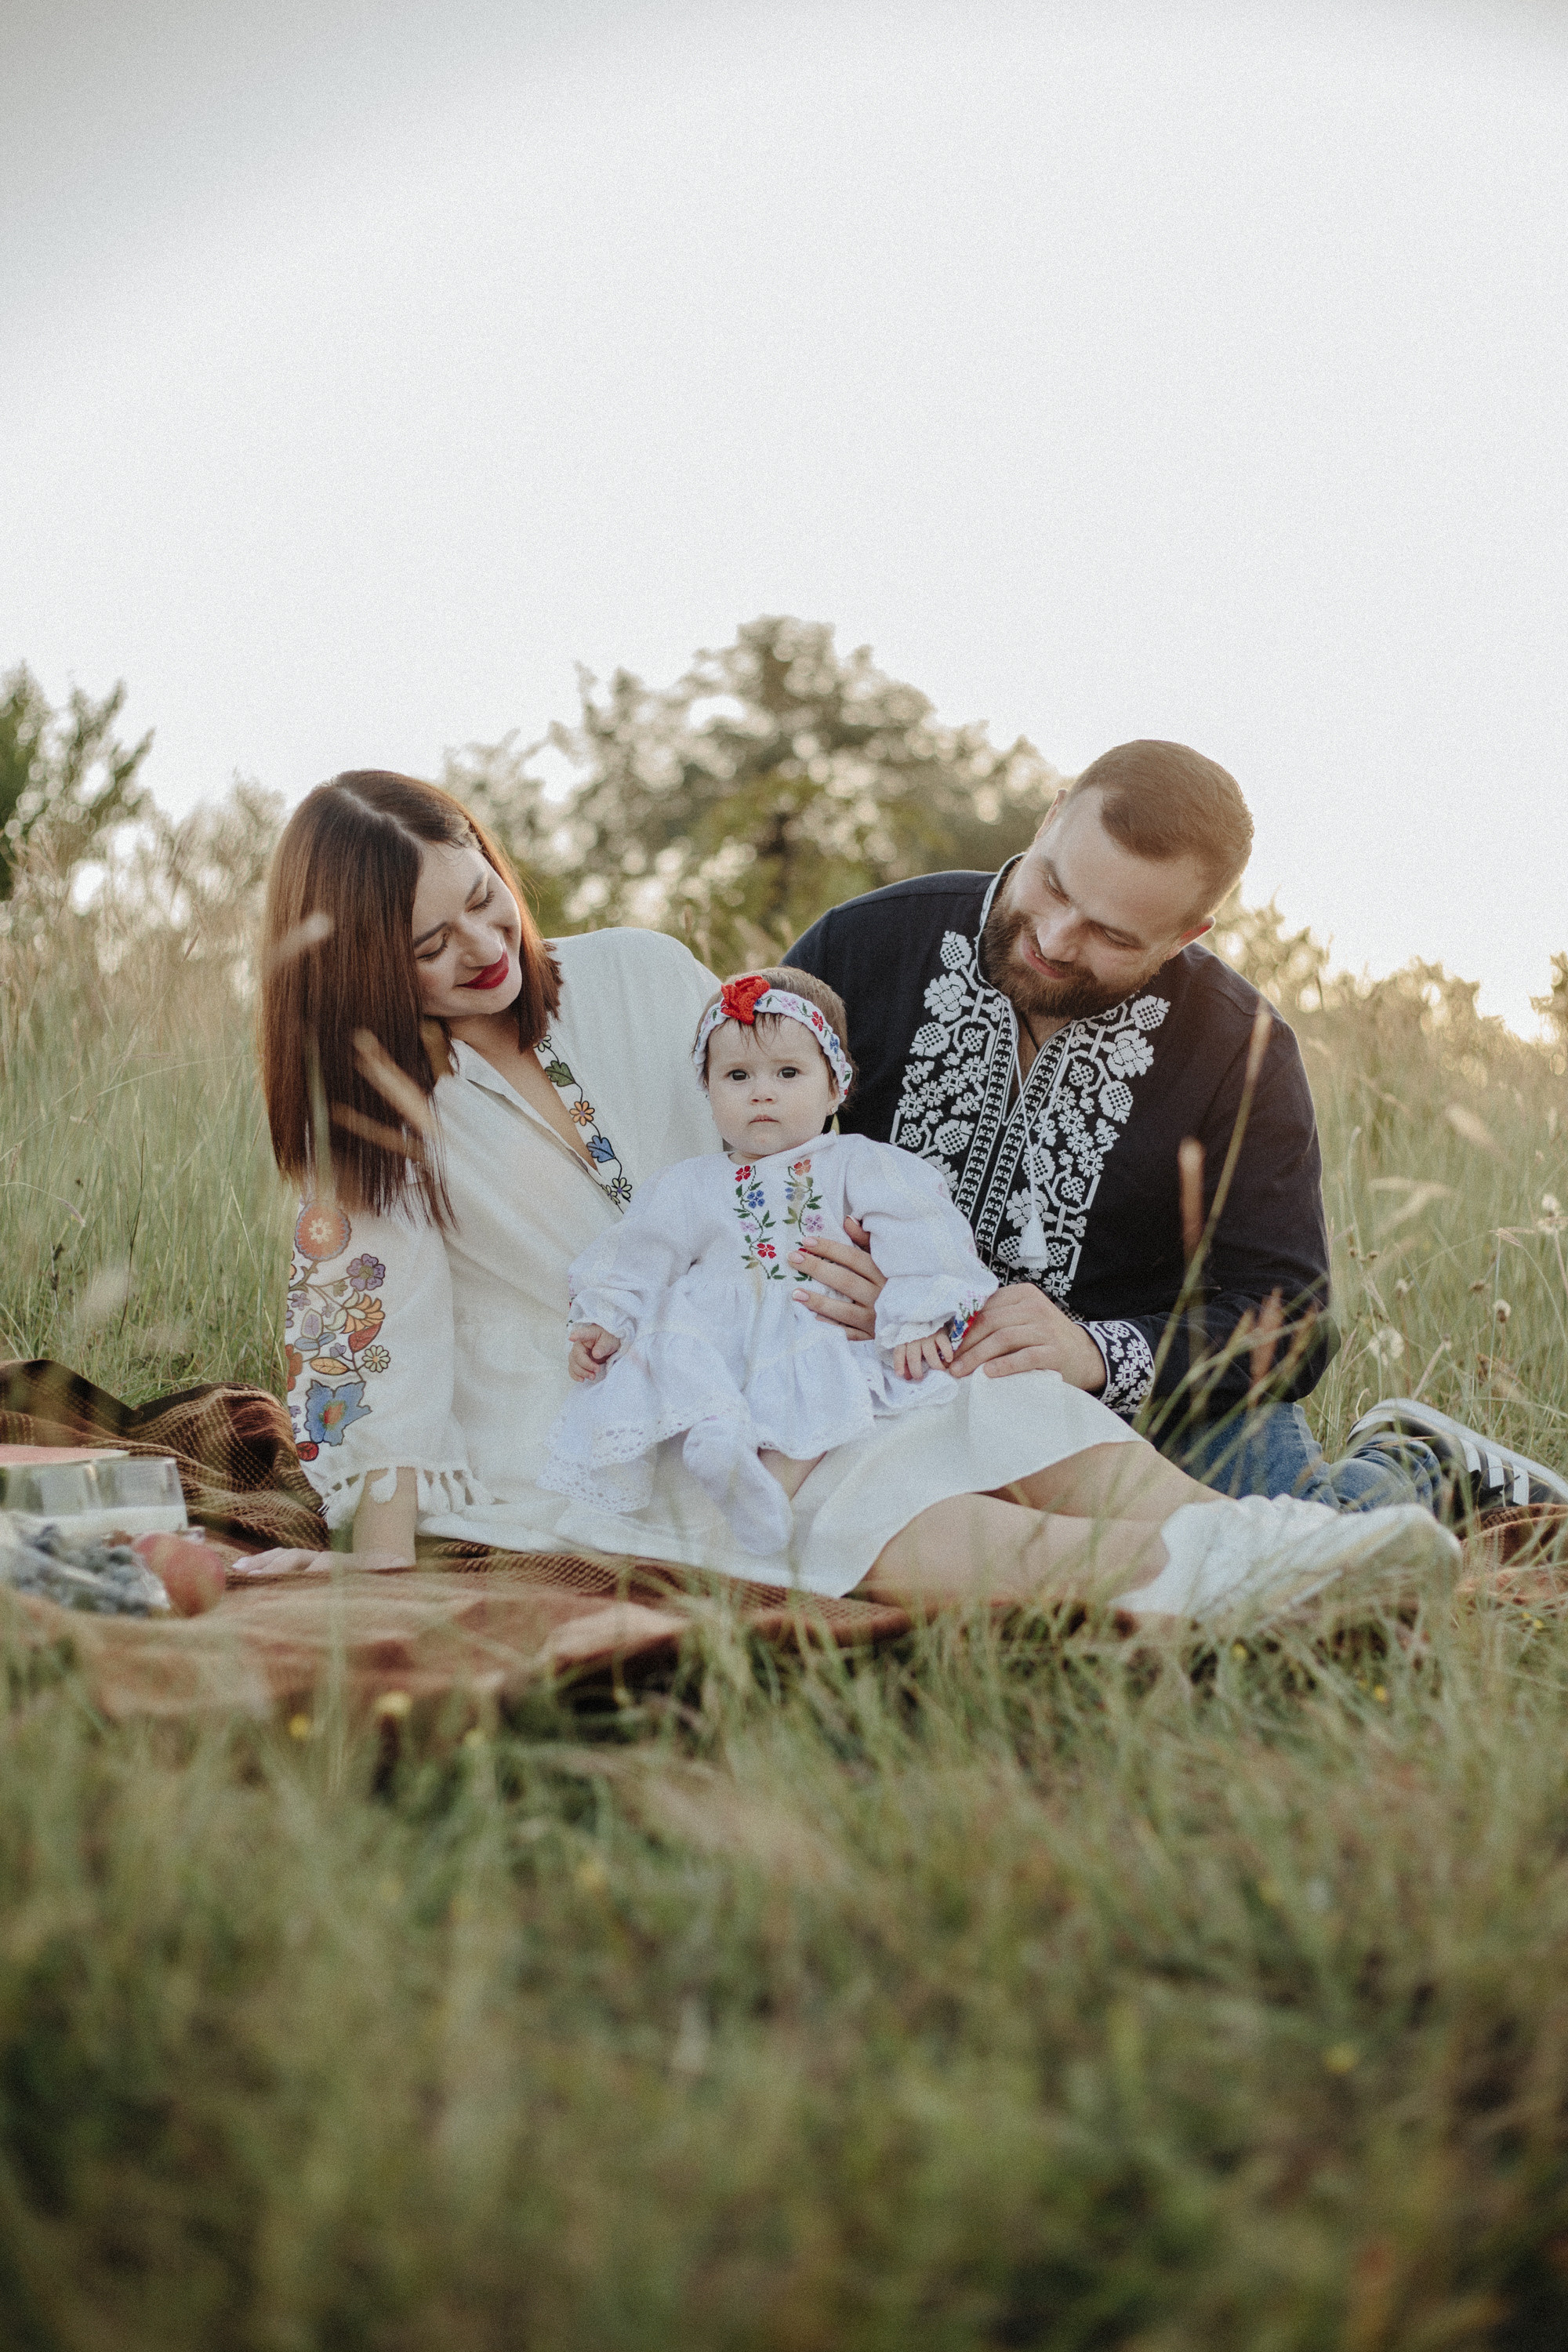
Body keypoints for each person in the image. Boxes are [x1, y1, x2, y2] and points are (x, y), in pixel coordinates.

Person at [257, 768, 1458, 1626]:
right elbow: (372, 1351)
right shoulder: (362, 1111)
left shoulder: (636, 972)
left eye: (484, 896)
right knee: (862, 1490)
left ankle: (1292, 1551)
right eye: (430, 943)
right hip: (595, 1398)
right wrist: (378, 1559)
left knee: (1013, 1419)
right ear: (358, 958)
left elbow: (798, 1134)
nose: (483, 946)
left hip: (844, 1336)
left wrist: (912, 1291)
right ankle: (1203, 1586)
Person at [784, 739, 1567, 1519]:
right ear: (1050, 817)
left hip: (1138, 1408)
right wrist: (823, 1268)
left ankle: (1416, 1463)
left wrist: (1095, 1354)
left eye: (1112, 936)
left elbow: (1289, 1315)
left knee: (1292, 1559)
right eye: (1052, 886)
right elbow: (725, 1143)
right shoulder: (859, 948)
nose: (1055, 940)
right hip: (861, 1368)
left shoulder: (1240, 1048)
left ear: (1184, 936)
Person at [542, 968, 1001, 1554]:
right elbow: (640, 1253)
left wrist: (918, 1314)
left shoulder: (857, 1163)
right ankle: (719, 1440)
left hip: (811, 1321)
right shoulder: (687, 1184)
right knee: (685, 1367)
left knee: (818, 1386)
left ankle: (761, 1495)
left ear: (836, 1087)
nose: (762, 1091)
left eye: (788, 1073)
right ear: (708, 1092)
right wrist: (606, 1318)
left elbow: (920, 1231)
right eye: (737, 1076)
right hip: (716, 1333)